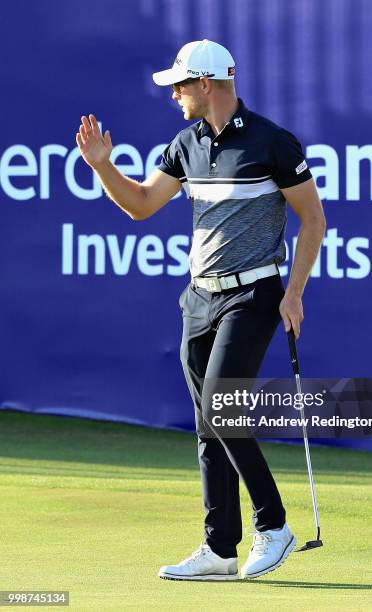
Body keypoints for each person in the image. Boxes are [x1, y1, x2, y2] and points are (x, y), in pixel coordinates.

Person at [75, 39, 326, 581]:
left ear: (206, 84)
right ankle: (219, 548)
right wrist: (103, 167)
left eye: (180, 86)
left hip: (254, 295)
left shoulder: (272, 143)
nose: (175, 96)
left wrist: (295, 291)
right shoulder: (185, 144)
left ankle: (275, 527)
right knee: (208, 425)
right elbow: (141, 205)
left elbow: (313, 220)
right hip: (199, 298)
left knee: (220, 410)